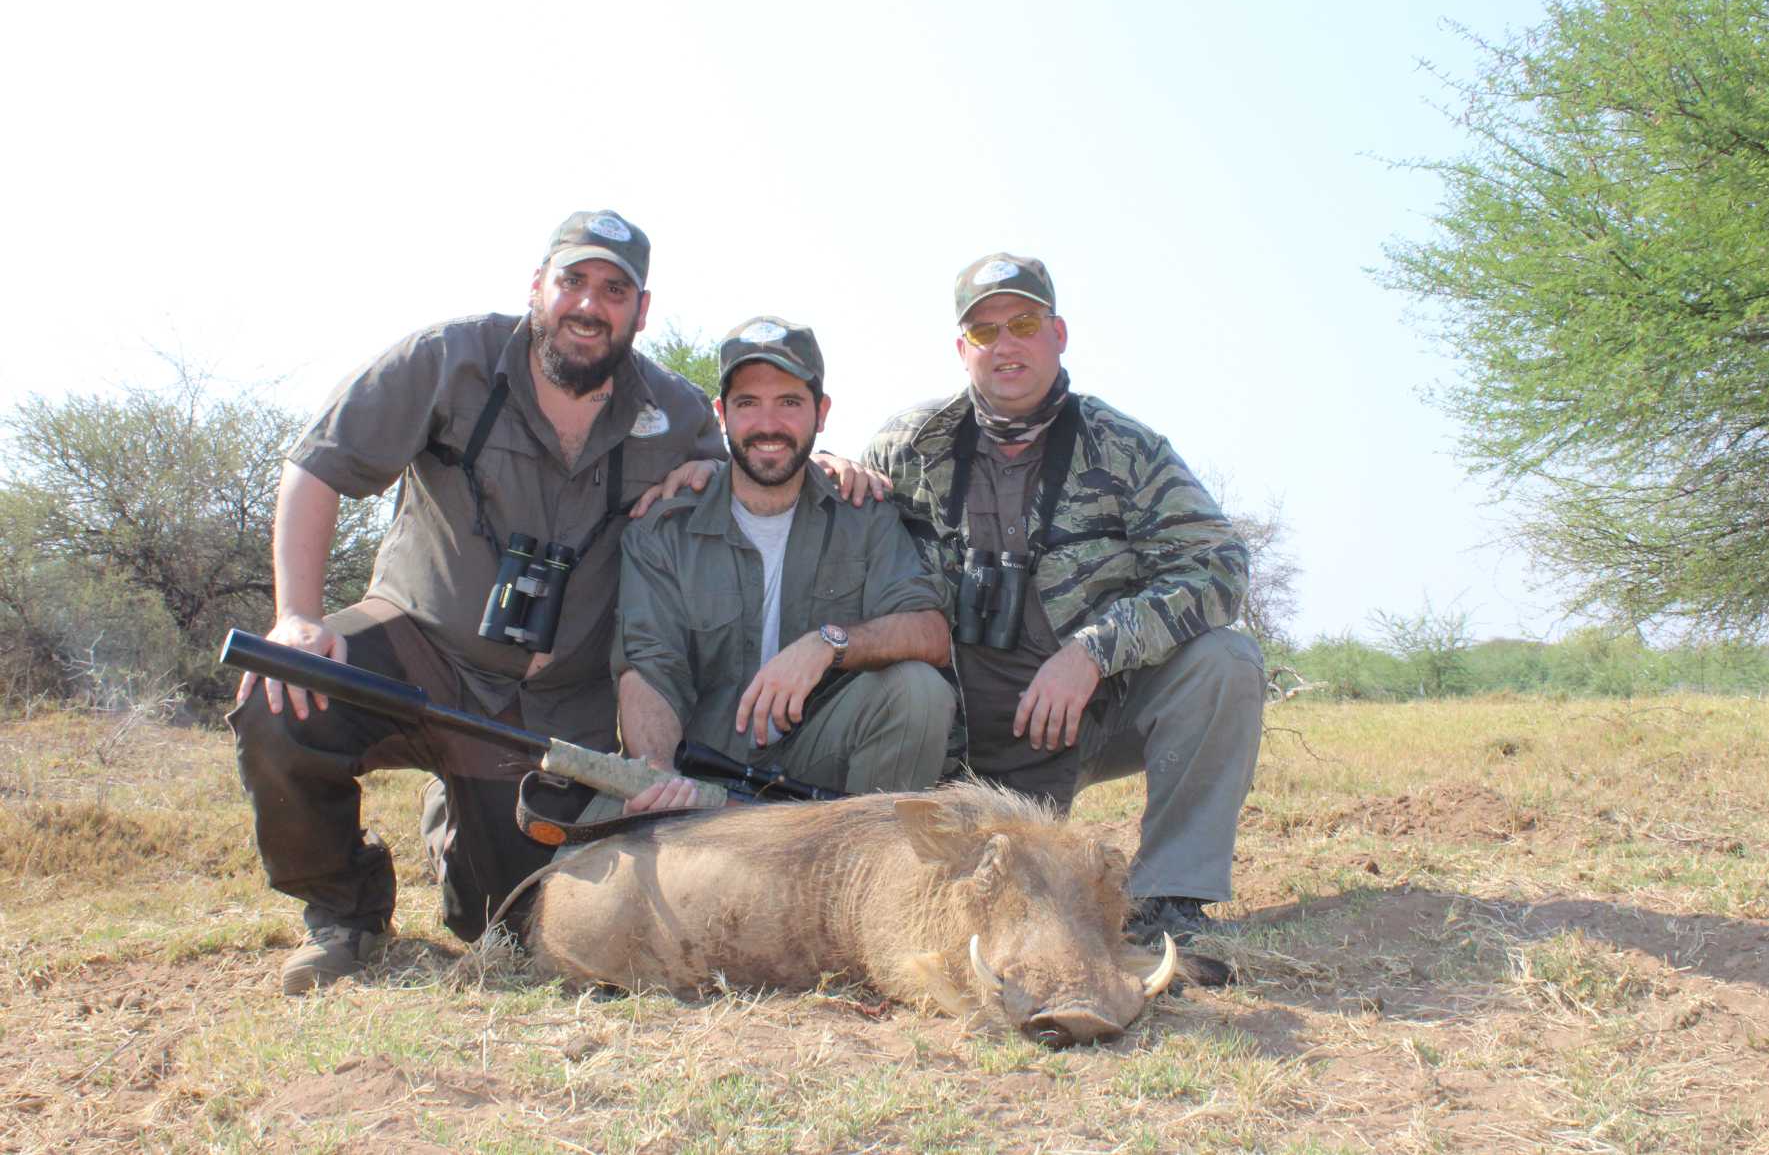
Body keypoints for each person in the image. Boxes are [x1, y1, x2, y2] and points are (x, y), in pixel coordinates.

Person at [230, 212, 879, 994]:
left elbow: (760, 456)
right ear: (537, 286)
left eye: (615, 289)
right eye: (572, 280)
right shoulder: (448, 357)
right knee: (285, 699)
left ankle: (456, 824)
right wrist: (296, 615)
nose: (588, 304)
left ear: (641, 312)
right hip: (420, 646)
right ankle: (344, 916)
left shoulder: (674, 412)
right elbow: (317, 465)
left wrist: (828, 464)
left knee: (512, 926)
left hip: (558, 703)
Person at [864, 253, 1265, 948]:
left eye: (1023, 322)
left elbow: (1219, 566)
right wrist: (829, 470)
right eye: (984, 331)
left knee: (1227, 660)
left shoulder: (1127, 449)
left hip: (1082, 726)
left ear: (1059, 334)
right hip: (943, 736)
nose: (1005, 344)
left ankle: (1171, 898)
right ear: (963, 350)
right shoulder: (908, 446)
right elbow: (821, 515)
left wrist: (1093, 651)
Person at [613, 316, 955, 815]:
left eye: (790, 403)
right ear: (721, 414)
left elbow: (930, 632)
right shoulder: (662, 528)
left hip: (818, 761)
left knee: (918, 692)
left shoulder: (863, 512)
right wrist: (657, 774)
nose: (768, 425)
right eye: (748, 403)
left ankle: (867, 874)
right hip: (704, 772)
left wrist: (830, 643)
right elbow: (648, 668)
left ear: (822, 412)